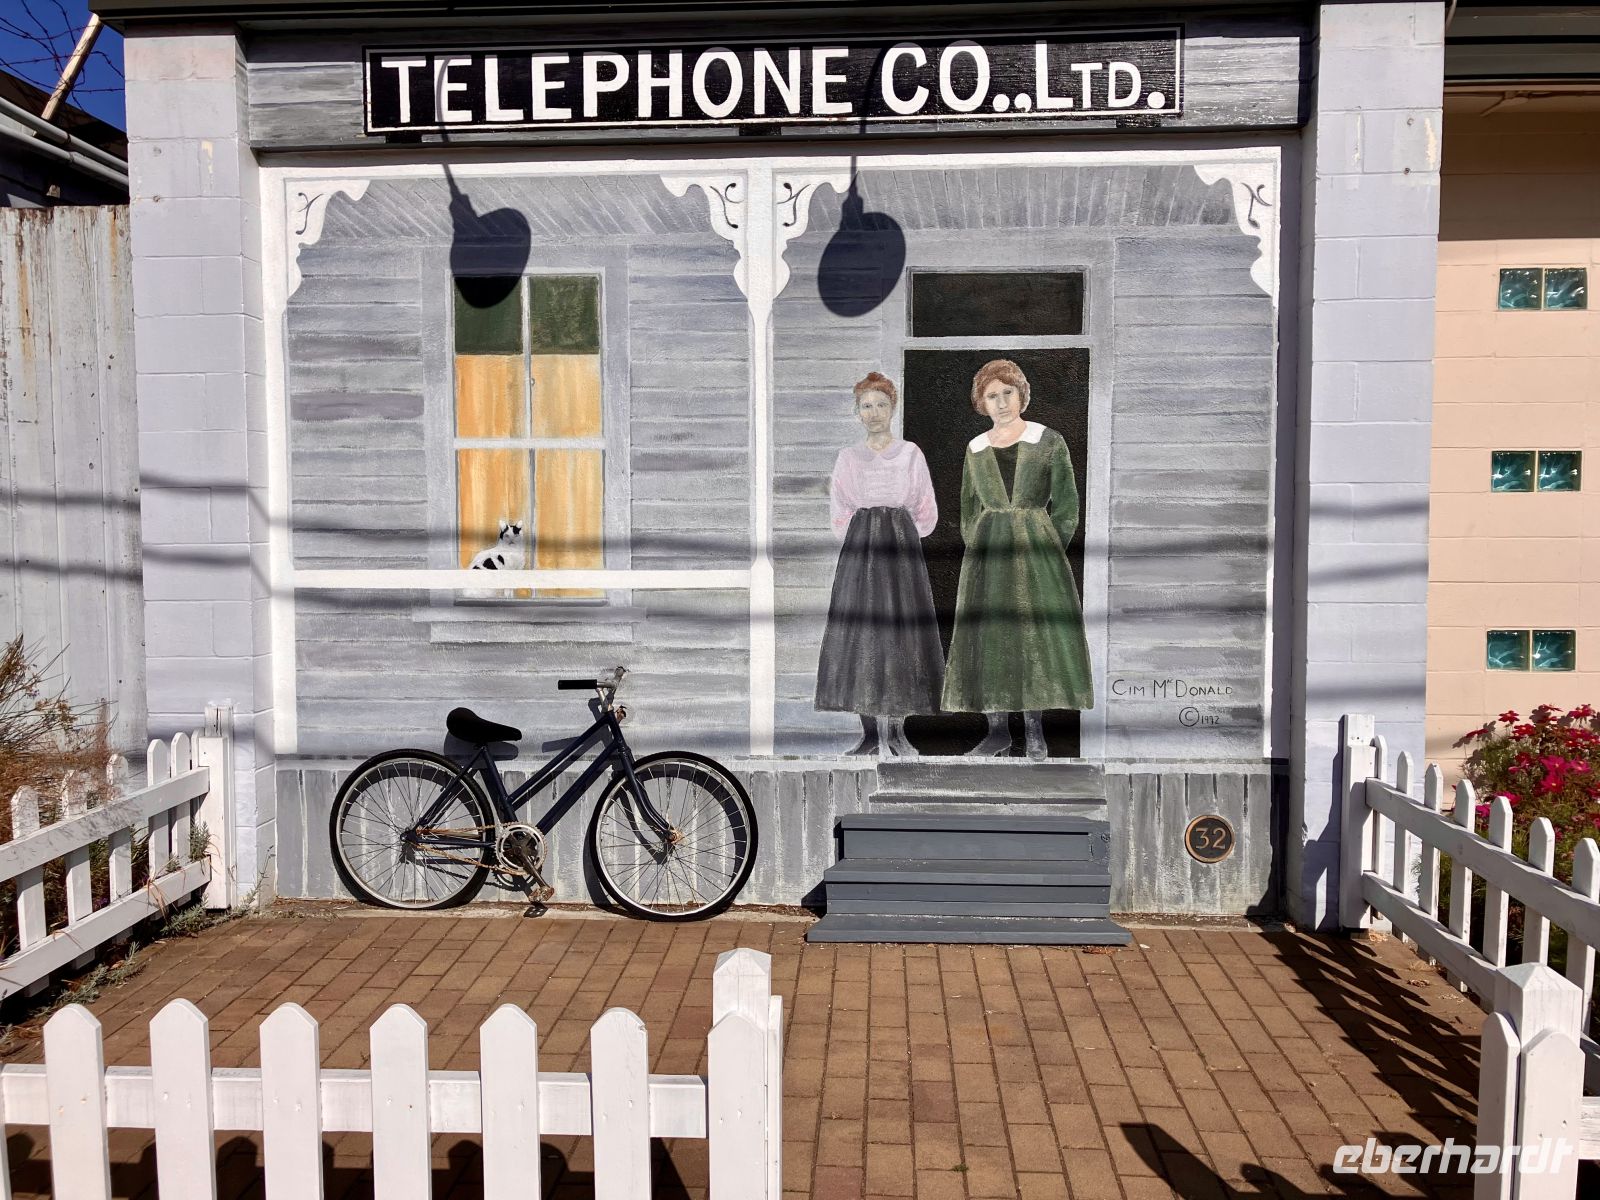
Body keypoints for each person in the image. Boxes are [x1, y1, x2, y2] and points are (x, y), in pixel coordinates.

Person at [941, 359, 1093, 759]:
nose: (1001, 402)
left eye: (1007, 392)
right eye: (992, 396)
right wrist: (980, 543)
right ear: (981, 403)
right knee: (991, 639)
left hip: (1036, 555)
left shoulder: (1049, 440)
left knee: (1032, 639)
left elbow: (1067, 505)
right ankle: (997, 733)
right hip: (988, 559)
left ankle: (1034, 730)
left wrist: (1046, 545)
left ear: (1021, 394)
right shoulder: (975, 448)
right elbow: (968, 507)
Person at [815, 372, 944, 756]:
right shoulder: (848, 458)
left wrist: (900, 532)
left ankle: (899, 733)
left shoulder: (910, 454)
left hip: (901, 553)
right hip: (862, 553)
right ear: (857, 412)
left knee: (902, 636)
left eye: (881, 405)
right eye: (866, 406)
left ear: (893, 408)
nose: (874, 413)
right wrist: (863, 535)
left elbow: (926, 510)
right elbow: (840, 511)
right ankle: (870, 736)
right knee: (863, 637)